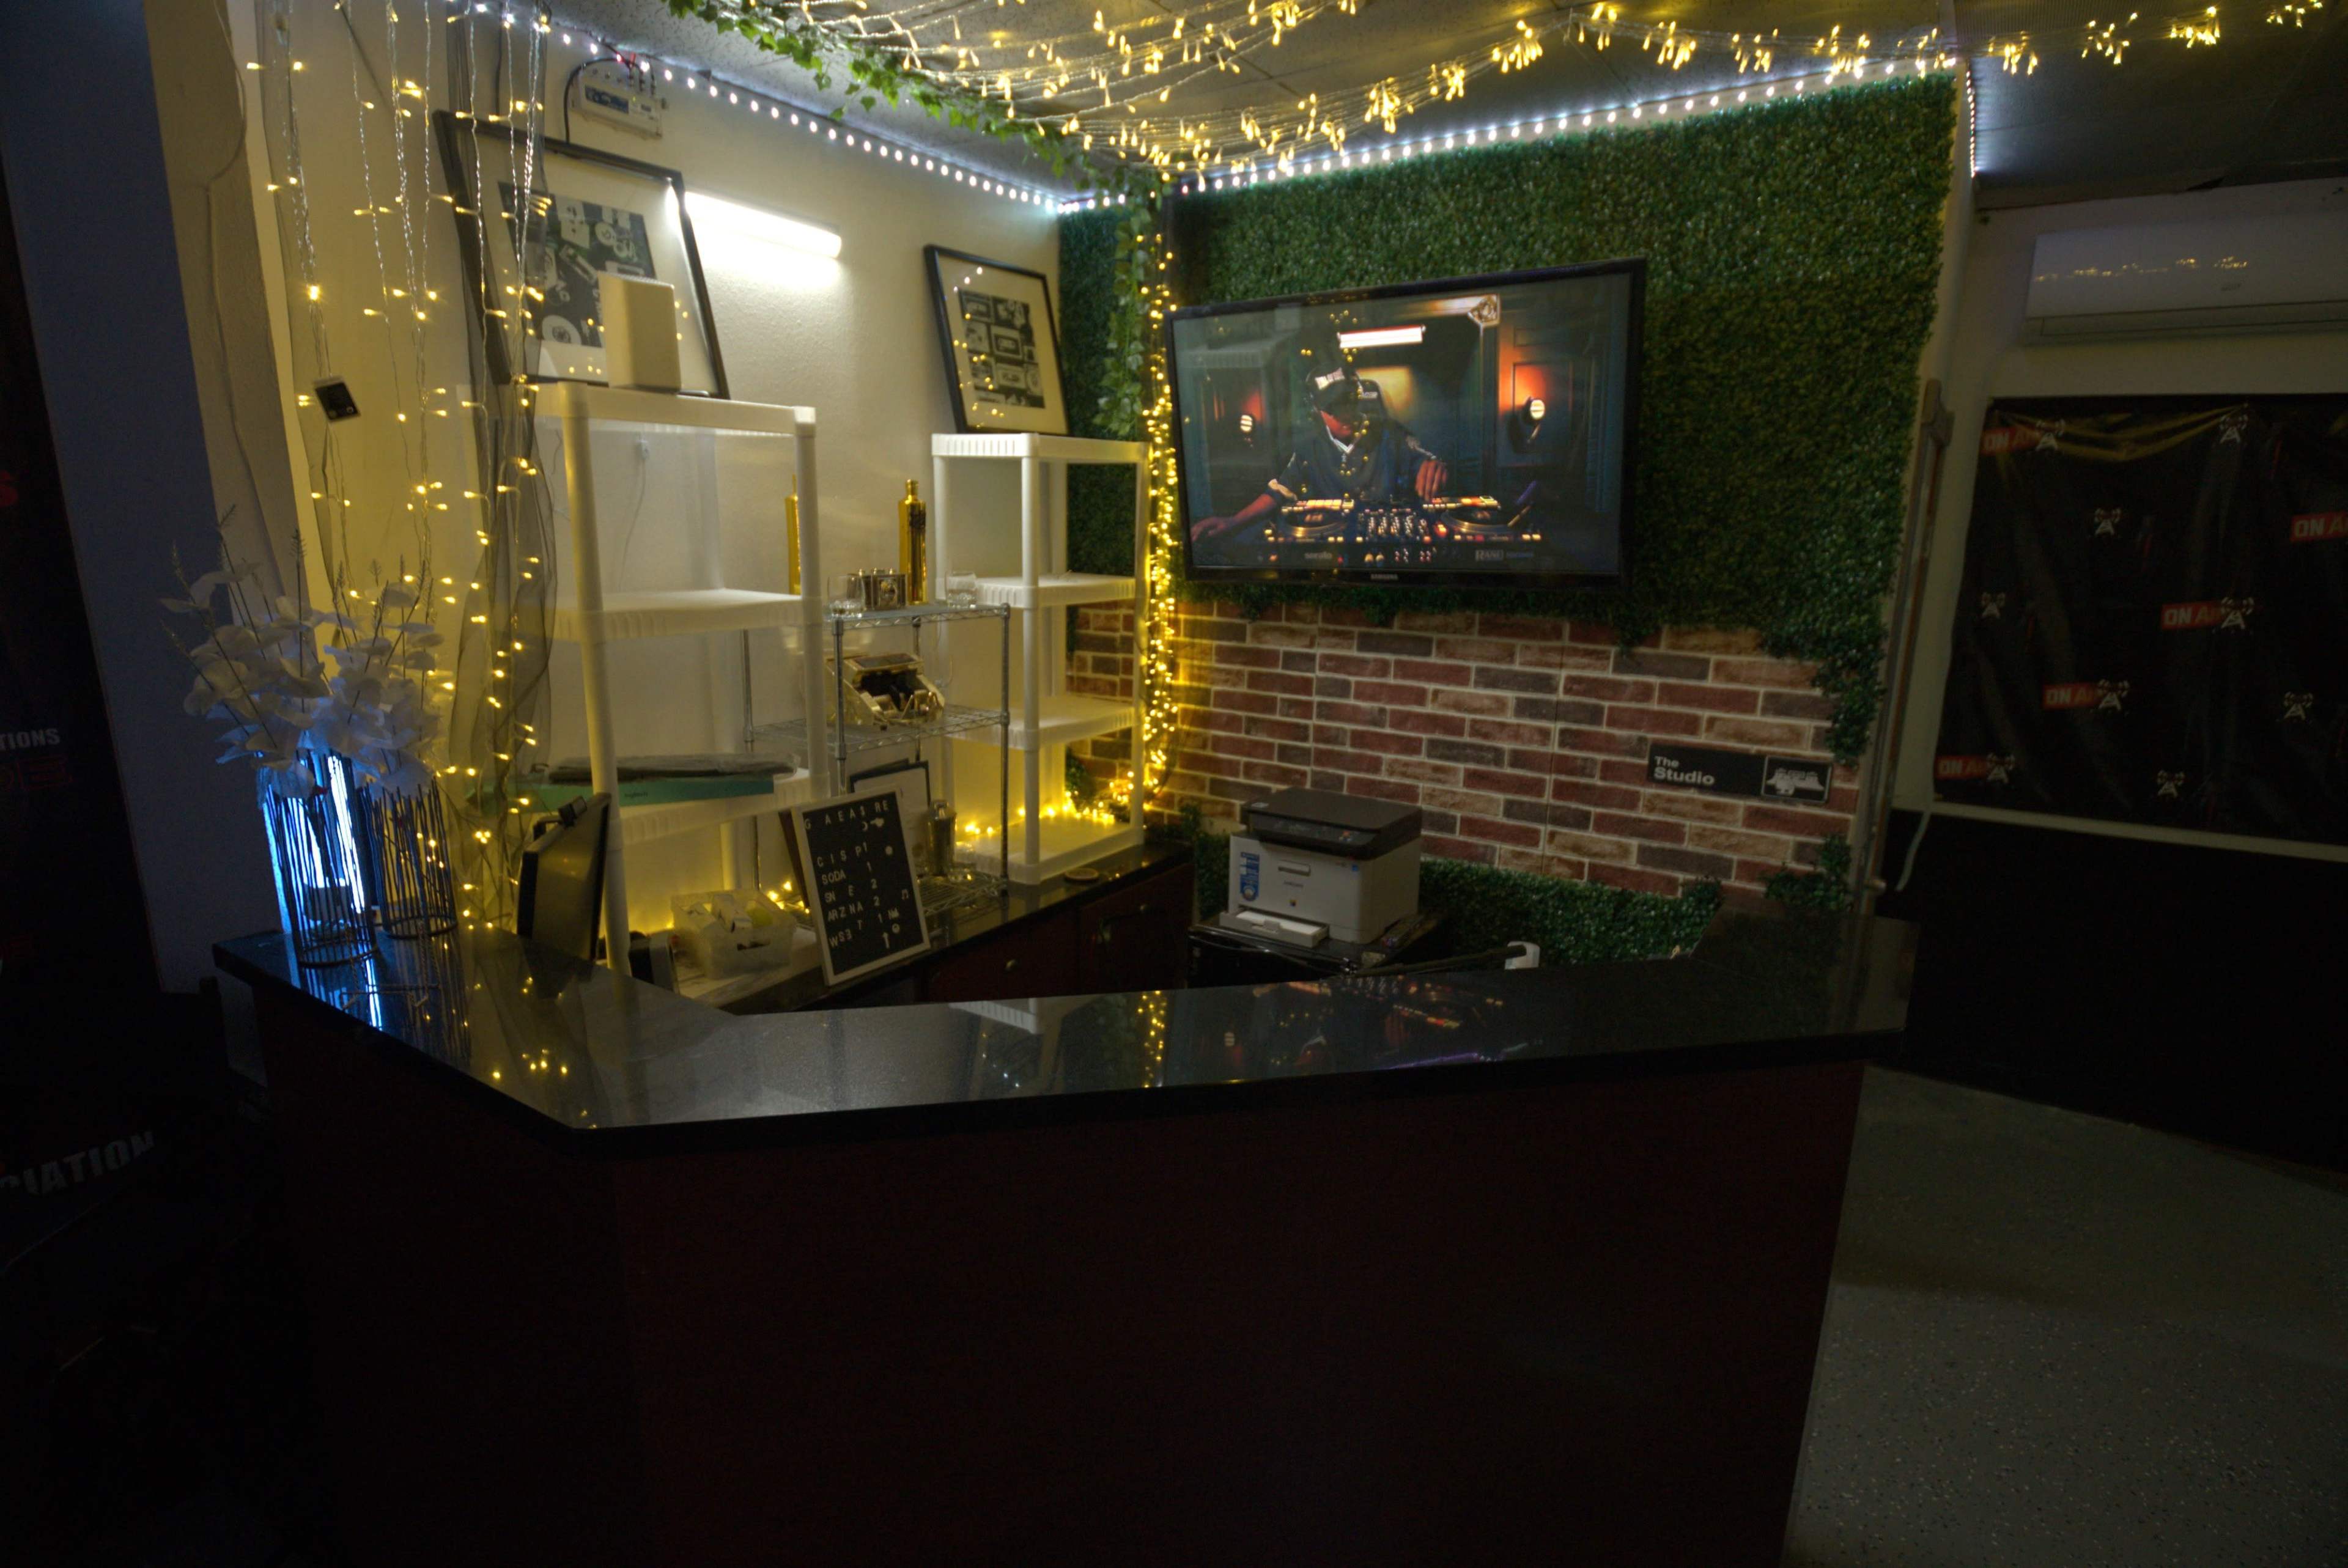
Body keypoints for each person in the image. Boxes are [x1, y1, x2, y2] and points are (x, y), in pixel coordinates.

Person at [1191, 364, 1450, 547]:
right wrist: (1232, 523)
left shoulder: (1391, 434)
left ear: (1358, 398)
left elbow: (1425, 460)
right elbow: (1280, 491)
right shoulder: (1309, 448)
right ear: (1317, 408)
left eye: (1348, 401)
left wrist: (1434, 465)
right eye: (1331, 408)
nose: (1342, 413)